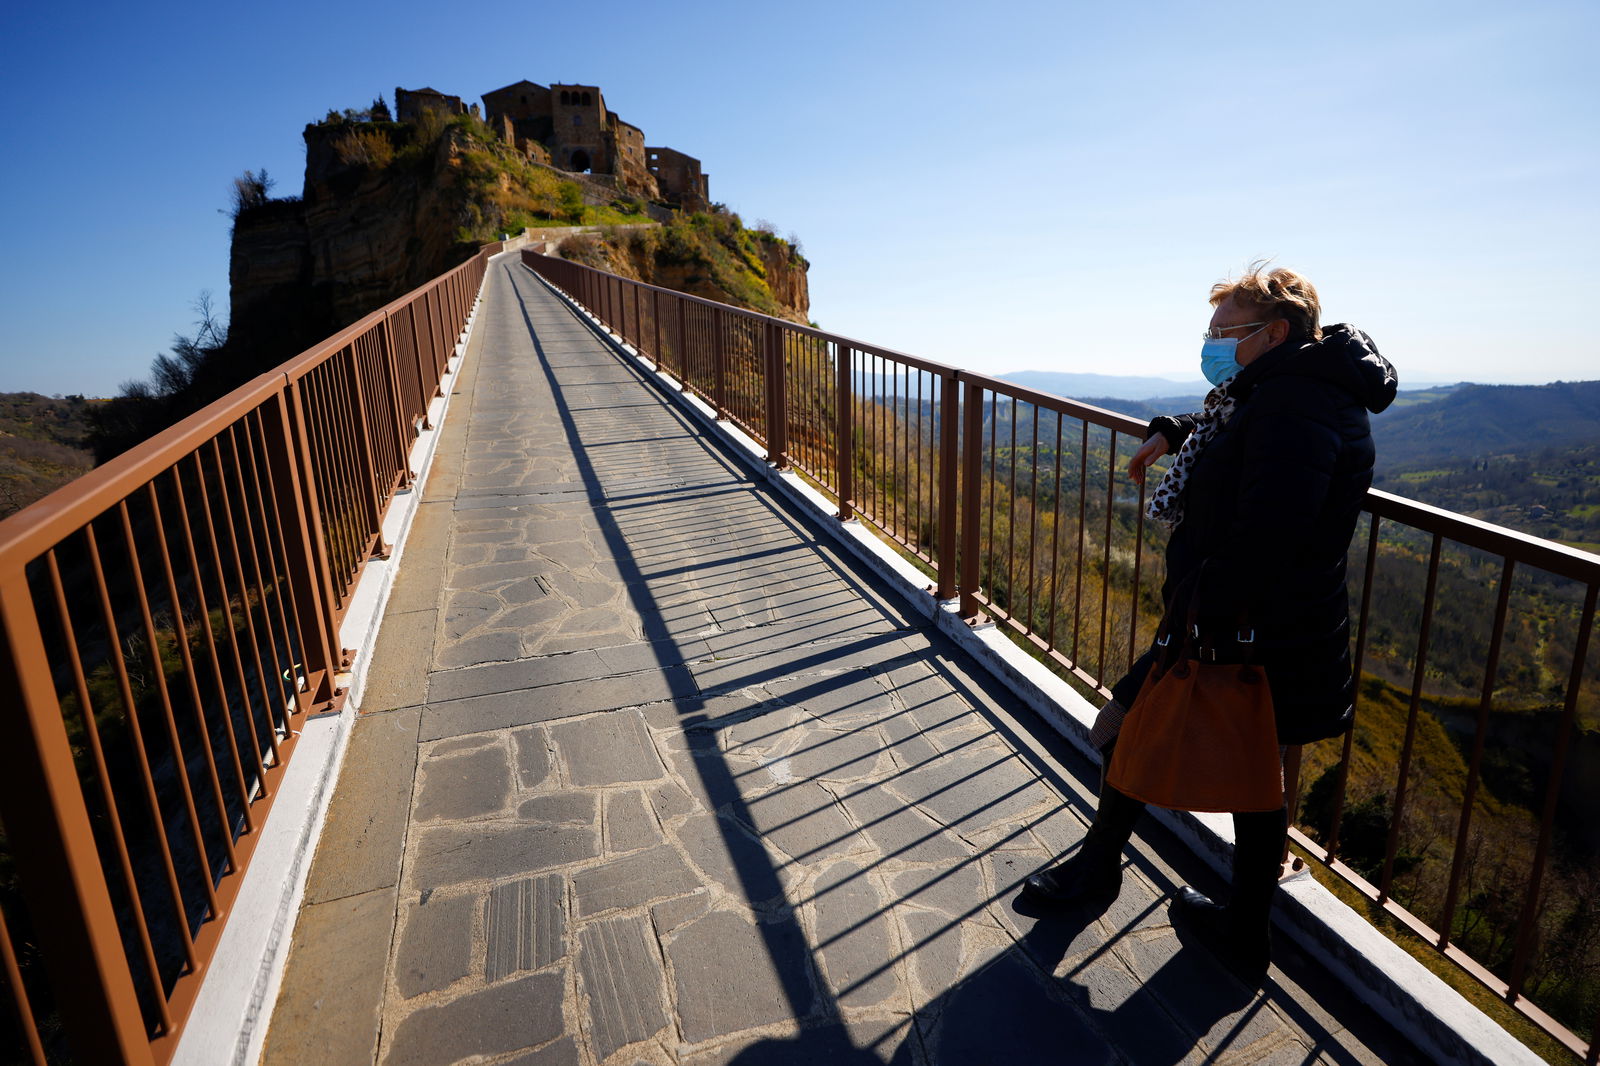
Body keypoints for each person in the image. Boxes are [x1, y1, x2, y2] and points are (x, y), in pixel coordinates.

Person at [1020, 263, 1397, 981]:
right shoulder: (1287, 390)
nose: (1211, 344)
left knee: (1128, 727)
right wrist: (1173, 429)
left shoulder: (1298, 404)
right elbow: (1240, 436)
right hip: (1265, 623)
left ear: (1274, 333)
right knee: (1256, 780)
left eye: (1223, 333)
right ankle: (1240, 929)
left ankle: (1101, 874)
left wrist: (1192, 619)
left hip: (1245, 622)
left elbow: (1270, 530)